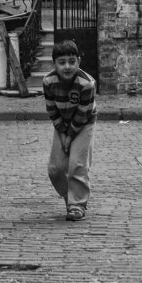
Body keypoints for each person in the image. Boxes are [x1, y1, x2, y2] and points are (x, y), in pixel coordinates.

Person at [43, 40, 97, 221]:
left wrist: (70, 135)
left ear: (78, 62)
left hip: (84, 123)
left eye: (72, 61)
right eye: (62, 62)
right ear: (54, 64)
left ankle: (77, 204)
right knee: (55, 169)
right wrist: (62, 132)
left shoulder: (87, 84)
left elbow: (83, 114)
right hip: (62, 122)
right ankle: (70, 196)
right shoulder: (48, 81)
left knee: (77, 165)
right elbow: (51, 110)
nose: (67, 66)